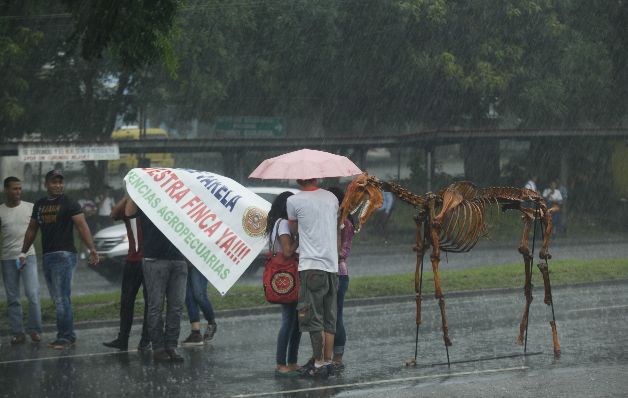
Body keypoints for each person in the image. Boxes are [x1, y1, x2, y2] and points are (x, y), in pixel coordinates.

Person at [19, 170, 99, 349]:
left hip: (64, 255)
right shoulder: (39, 204)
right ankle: (68, 335)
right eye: (54, 182)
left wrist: (92, 249)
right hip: (47, 255)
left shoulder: (69, 202)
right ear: (45, 184)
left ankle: (64, 337)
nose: (58, 185)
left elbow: (81, 225)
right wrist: (23, 252)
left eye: (60, 182)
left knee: (62, 298)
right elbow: (32, 229)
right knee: (58, 298)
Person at [125, 197, 188, 362]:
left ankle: (171, 346)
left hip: (179, 259)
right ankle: (158, 348)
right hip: (154, 258)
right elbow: (128, 212)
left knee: (176, 306)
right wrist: (134, 190)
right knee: (156, 306)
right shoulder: (148, 198)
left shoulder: (181, 199)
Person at [287, 178, 339, 378]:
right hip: (331, 266)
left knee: (312, 316)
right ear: (317, 177)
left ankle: (318, 363)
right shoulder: (332, 198)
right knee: (329, 316)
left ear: (298, 179)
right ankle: (328, 361)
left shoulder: (294, 201)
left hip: (311, 266)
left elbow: (293, 230)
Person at [102, 194, 151, 352]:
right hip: (133, 260)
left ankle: (146, 339)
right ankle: (123, 338)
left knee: (150, 302)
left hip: (150, 260)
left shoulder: (153, 210)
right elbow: (114, 214)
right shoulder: (130, 206)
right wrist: (128, 194)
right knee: (127, 301)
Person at [0, 177, 43, 345]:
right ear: (6, 190)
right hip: (8, 258)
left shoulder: (30, 208)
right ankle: (18, 332)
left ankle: (35, 330)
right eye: (14, 189)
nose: (18, 192)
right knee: (13, 298)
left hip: (28, 256)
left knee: (33, 294)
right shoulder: (1, 211)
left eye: (19, 188)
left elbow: (37, 229)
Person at [265, 191, 301, 377]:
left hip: (283, 277)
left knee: (295, 321)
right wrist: (300, 238)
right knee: (290, 321)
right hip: (290, 275)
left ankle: (291, 361)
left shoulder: (276, 223)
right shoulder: (285, 223)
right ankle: (283, 362)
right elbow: (287, 252)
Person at [327, 186, 355, 372]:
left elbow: (343, 252)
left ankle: (337, 357)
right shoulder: (327, 221)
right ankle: (324, 355)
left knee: (336, 316)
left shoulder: (346, 224)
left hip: (339, 273)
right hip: (325, 272)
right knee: (327, 317)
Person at [180, 261, 218, 346]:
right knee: (189, 297)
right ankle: (195, 333)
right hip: (183, 263)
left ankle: (211, 322)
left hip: (199, 262)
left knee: (199, 295)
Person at [77, 189, 98, 259]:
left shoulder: (91, 202)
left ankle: (90, 253)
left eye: (87, 193)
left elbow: (95, 210)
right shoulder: (80, 201)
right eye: (85, 193)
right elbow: (81, 210)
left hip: (91, 221)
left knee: (91, 237)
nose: (86, 195)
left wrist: (89, 213)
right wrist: (88, 213)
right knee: (83, 238)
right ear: (83, 194)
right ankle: (81, 254)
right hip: (83, 220)